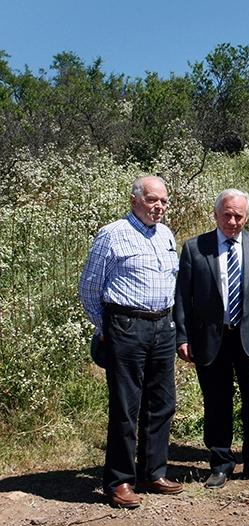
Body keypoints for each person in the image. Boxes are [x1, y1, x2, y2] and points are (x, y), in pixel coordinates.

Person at [79, 175, 183, 508]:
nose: (160, 207)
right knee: (126, 408)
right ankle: (119, 481)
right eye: (153, 200)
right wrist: (106, 328)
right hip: (126, 327)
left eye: (164, 201)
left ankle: (153, 471)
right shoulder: (112, 235)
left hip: (162, 326)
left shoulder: (166, 235)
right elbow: (90, 289)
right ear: (134, 200)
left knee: (162, 403)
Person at [174, 189, 249, 489]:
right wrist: (182, 336)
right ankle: (221, 464)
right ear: (216, 214)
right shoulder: (195, 248)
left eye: (238, 216)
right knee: (217, 401)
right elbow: (183, 297)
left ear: (246, 217)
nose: (232, 221)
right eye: (227, 215)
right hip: (212, 338)